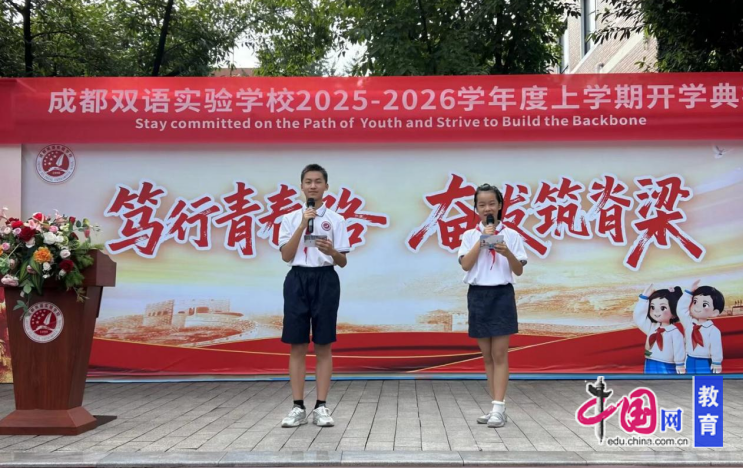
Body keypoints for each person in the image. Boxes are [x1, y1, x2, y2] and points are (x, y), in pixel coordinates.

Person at [277, 164, 350, 427]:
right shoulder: (289, 218)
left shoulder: (337, 220)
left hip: (325, 279)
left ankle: (321, 406)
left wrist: (332, 251)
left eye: (318, 181)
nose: (313, 186)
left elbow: (342, 262)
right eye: (308, 181)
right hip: (297, 279)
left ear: (326, 186)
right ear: (301, 186)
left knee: (323, 344)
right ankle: (297, 406)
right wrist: (302, 225)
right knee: (297, 345)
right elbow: (286, 255)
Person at [458, 183, 527, 428]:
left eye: (491, 204)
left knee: (499, 354)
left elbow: (518, 269)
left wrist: (507, 252)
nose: (487, 208)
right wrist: (482, 240)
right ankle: (496, 406)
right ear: (476, 208)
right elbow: (466, 265)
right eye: (482, 204)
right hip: (478, 296)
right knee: (487, 356)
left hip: (501, 295)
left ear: (500, 206)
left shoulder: (512, 235)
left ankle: (498, 407)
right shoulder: (469, 235)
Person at [633, 285, 686, 374]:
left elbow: (679, 350)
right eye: (652, 307)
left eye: (663, 308)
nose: (656, 312)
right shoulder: (652, 327)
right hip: (650, 361)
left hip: (667, 364)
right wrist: (643, 299)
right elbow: (639, 318)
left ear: (674, 312)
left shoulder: (675, 333)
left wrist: (680, 364)